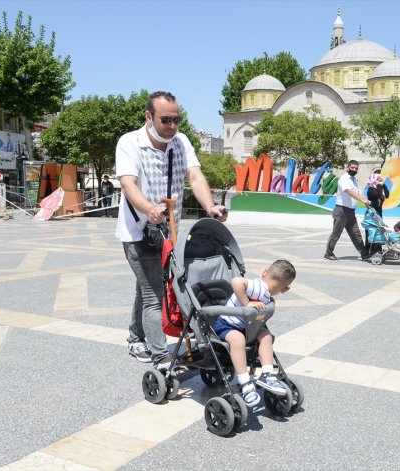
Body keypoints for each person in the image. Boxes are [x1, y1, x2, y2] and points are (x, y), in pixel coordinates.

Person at [115, 91, 227, 368]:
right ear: (148, 116)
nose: (172, 126)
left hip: (171, 232)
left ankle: (134, 337)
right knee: (154, 292)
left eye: (177, 120)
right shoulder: (129, 142)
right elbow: (128, 184)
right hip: (139, 231)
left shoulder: (181, 142)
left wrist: (210, 206)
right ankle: (160, 354)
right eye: (166, 119)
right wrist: (149, 209)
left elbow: (195, 175)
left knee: (149, 288)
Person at [212, 260, 297, 407]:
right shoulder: (258, 287)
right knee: (237, 339)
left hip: (247, 327)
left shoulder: (266, 294)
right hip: (227, 325)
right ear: (285, 289)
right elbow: (237, 281)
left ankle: (268, 375)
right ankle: (245, 382)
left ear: (264, 272)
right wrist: (246, 303)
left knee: (265, 336)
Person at [324, 160, 371, 261]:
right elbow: (349, 191)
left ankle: (364, 254)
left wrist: (365, 200)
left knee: (356, 234)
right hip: (341, 211)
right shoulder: (344, 179)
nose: (354, 170)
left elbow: (359, 192)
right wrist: (361, 200)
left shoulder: (354, 180)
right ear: (348, 168)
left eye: (356, 168)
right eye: (352, 168)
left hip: (350, 212)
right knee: (336, 234)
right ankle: (328, 253)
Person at [365, 173, 389, 255]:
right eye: (380, 180)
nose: (381, 181)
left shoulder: (380, 188)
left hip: (379, 214)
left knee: (379, 232)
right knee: (371, 232)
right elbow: (378, 195)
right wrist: (379, 186)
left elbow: (387, 195)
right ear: (375, 180)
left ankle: (378, 250)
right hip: (372, 215)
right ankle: (369, 251)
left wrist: (384, 186)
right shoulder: (370, 190)